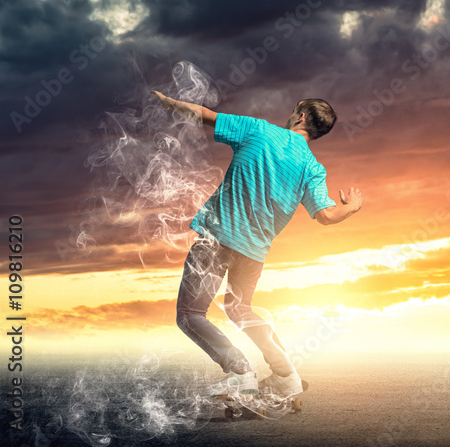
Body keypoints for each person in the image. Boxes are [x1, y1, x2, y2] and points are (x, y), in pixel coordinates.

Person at [150, 90, 363, 398]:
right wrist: (353, 207)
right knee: (239, 310)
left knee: (190, 314)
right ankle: (286, 375)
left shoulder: (259, 130)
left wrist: (169, 103)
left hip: (217, 240)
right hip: (253, 254)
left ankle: (239, 372)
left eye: (294, 110)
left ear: (300, 116)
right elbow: (328, 215)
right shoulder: (312, 168)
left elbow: (204, 114)